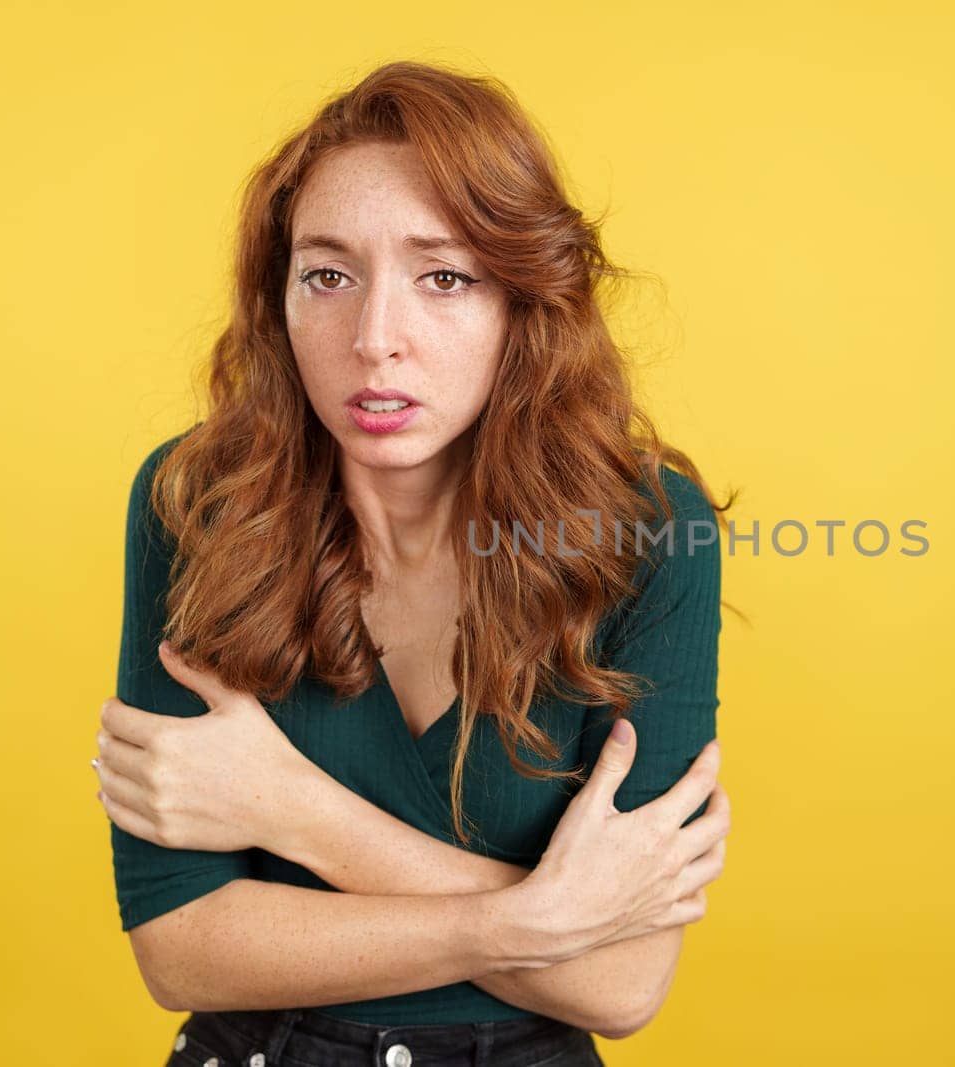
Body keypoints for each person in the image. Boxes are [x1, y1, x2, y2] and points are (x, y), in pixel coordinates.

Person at [91, 59, 735, 1067]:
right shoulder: (195, 501)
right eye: (328, 275)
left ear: (521, 301)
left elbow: (619, 982)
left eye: (444, 277)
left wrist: (291, 809)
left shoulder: (650, 529)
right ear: (280, 301)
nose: (374, 339)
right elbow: (182, 949)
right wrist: (528, 920)